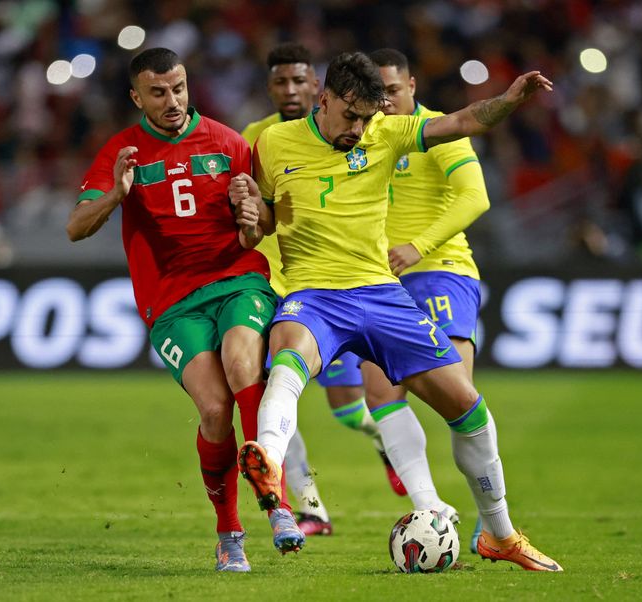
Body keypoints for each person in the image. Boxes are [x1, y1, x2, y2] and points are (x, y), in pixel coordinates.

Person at [232, 51, 563, 571]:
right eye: (351, 117)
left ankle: (499, 533)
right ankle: (269, 460)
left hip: (383, 295)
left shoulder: (385, 132)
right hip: (315, 296)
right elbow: (266, 222)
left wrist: (509, 100)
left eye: (368, 118)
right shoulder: (273, 142)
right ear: (325, 99)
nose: (360, 129)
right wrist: (252, 217)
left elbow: (463, 120)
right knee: (287, 358)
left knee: (468, 408)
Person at [65, 47, 305, 573]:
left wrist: (252, 218)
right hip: (172, 303)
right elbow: (76, 227)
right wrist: (115, 197)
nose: (172, 101)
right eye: (157, 92)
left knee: (245, 363)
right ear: (136, 97)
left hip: (238, 280)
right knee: (215, 412)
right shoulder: (123, 151)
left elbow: (257, 229)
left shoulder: (228, 143)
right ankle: (229, 535)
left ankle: (279, 504)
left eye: (178, 88)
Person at [240, 43, 444, 537]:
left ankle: (385, 443)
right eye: (280, 83)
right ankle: (307, 506)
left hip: (348, 289)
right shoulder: (257, 138)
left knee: (349, 408)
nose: (290, 91)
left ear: (319, 90)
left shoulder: (358, 134)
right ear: (269, 89)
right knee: (274, 390)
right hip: (283, 290)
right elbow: (258, 217)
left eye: (299, 82)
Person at [364, 47, 494, 554]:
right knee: (379, 394)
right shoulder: (366, 137)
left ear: (413, 86)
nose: (386, 103)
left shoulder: (437, 130)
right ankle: (431, 506)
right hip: (381, 282)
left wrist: (419, 246)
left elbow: (474, 197)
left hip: (441, 273)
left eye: (393, 91)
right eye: (377, 95)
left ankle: (491, 522)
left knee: (457, 399)